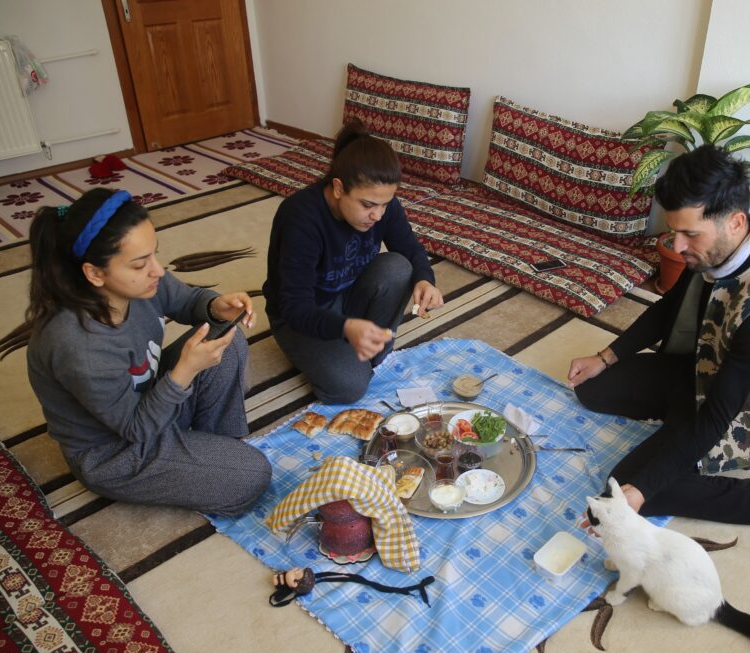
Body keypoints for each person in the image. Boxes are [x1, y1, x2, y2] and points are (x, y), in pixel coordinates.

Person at [569, 145, 750, 555]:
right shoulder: (715, 246)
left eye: (689, 234)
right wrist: (605, 357)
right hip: (696, 369)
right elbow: (670, 306)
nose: (677, 246)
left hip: (740, 414)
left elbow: (719, 414)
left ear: (735, 221)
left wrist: (644, 486)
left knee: (627, 488)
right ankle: (677, 432)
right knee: (592, 389)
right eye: (674, 231)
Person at [26, 188, 272, 515]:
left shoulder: (141, 282)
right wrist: (184, 371)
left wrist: (214, 306)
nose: (157, 270)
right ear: (95, 273)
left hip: (151, 400)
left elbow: (184, 301)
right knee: (254, 475)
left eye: (154, 254)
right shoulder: (78, 345)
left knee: (227, 339)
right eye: (141, 263)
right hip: (115, 451)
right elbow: (135, 429)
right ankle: (210, 463)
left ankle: (212, 451)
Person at [263, 120, 444, 404]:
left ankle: (370, 348)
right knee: (350, 387)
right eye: (368, 205)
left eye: (385, 204)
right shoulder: (300, 217)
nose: (378, 215)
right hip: (300, 317)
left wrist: (425, 279)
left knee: (399, 266)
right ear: (338, 188)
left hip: (346, 298)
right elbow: (294, 307)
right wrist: (345, 328)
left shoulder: (382, 206)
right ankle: (347, 350)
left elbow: (410, 249)